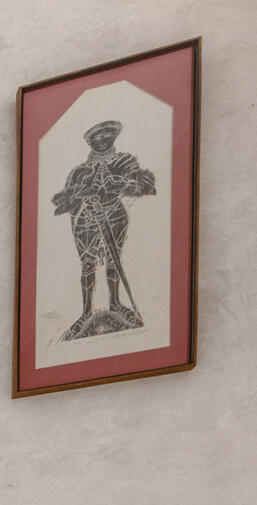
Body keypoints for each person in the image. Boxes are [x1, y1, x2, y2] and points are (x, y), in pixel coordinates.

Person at [52, 118, 155, 341]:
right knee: (88, 263)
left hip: (115, 216)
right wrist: (82, 199)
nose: (102, 140)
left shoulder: (125, 161)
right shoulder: (78, 172)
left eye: (107, 135)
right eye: (97, 137)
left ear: (114, 137)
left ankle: (115, 303)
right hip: (86, 221)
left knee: (113, 259)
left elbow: (146, 185)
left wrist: (122, 183)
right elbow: (63, 202)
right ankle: (86, 311)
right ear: (89, 141)